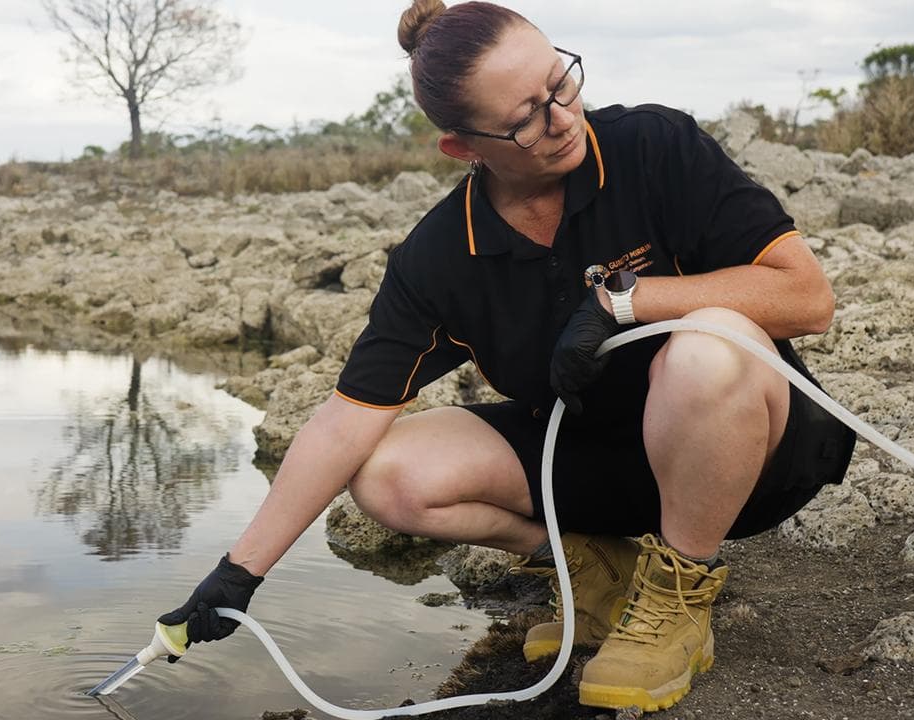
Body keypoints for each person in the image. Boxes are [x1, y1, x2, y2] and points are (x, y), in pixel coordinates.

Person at [159, 0, 856, 713]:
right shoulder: (441, 255)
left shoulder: (653, 146)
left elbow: (807, 298)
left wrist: (629, 301)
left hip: (749, 456)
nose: (562, 118)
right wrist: (238, 573)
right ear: (464, 148)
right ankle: (599, 570)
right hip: (595, 470)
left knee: (706, 346)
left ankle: (678, 596)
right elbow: (344, 422)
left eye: (561, 83)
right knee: (385, 475)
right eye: (526, 116)